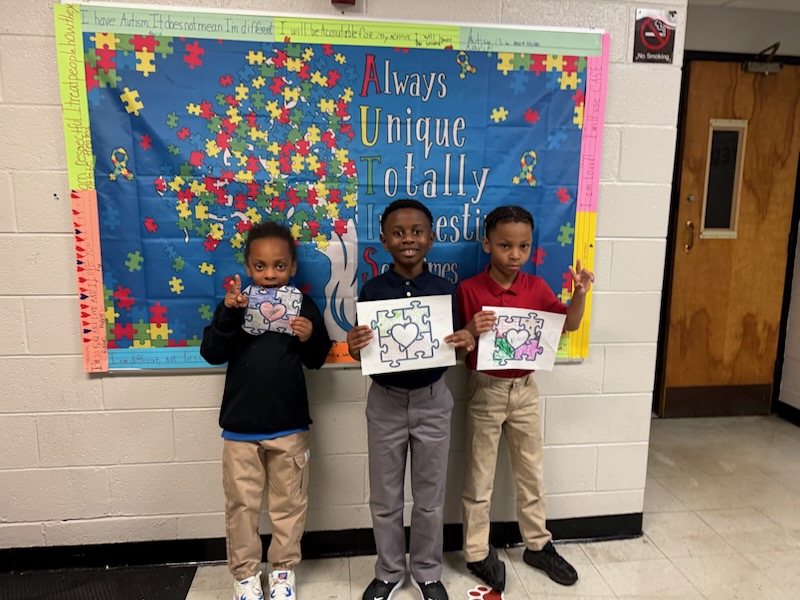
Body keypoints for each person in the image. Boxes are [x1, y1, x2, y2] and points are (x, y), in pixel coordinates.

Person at [457, 205, 594, 592]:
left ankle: (537, 544)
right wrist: (470, 329)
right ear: (487, 244)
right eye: (504, 245)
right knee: (479, 477)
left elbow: (569, 322)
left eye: (523, 246)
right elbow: (457, 345)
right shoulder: (469, 289)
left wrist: (580, 294)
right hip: (485, 390)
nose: (514, 255)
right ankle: (476, 551)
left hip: (525, 390)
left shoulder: (536, 288)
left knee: (531, 472)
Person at [346, 199, 474, 600]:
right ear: (384, 240)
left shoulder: (444, 291)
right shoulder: (371, 289)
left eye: (417, 231)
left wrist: (465, 341)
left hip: (433, 400)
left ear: (431, 238)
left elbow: (454, 347)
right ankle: (388, 571)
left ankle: (427, 571)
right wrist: (353, 346)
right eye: (398, 232)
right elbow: (363, 348)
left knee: (430, 497)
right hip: (384, 401)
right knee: (384, 498)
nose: (408, 239)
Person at [200, 221, 332, 600]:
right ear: (247, 267)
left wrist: (310, 336)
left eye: (278, 266)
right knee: (241, 505)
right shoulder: (236, 304)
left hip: (289, 425)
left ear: (292, 268)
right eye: (260, 266)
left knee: (289, 504)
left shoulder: (303, 304)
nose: (270, 274)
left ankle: (283, 571)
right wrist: (228, 313)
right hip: (240, 427)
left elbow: (317, 361)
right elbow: (212, 353)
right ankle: (245, 575)